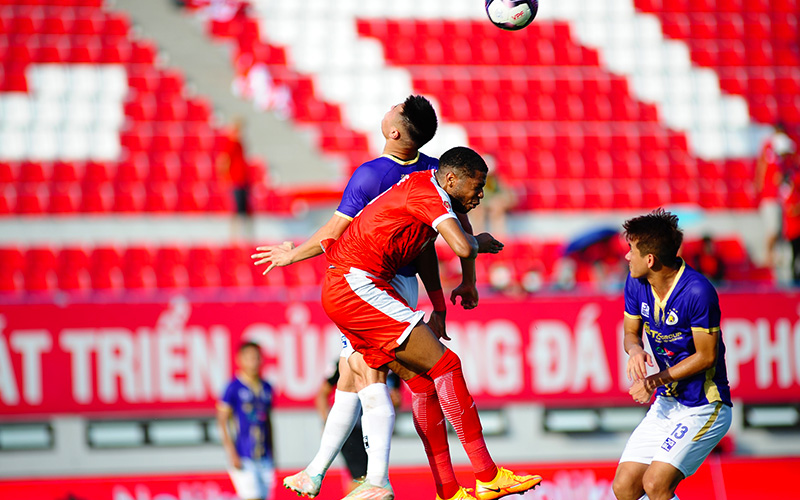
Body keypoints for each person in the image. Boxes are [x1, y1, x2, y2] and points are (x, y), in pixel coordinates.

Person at [252, 96, 490, 500]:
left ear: (395, 131)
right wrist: (460, 286)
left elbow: (332, 231)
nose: (389, 108)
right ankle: (317, 471)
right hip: (400, 281)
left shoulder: (371, 175)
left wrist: (292, 254)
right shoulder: (437, 171)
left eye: (394, 109)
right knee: (351, 375)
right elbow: (460, 231)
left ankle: (377, 479)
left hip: (371, 283)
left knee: (371, 375)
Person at [320, 147, 542, 500]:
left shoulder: (428, 194)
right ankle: (487, 474)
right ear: (452, 179)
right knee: (447, 365)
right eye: (477, 185)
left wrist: (441, 303)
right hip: (354, 287)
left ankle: (448, 491)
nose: (481, 194)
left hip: (351, 289)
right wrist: (478, 243)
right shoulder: (429, 192)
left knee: (424, 384)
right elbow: (463, 245)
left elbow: (425, 249)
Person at [612, 209, 732, 500]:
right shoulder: (636, 283)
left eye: (631, 250)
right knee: (624, 488)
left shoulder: (697, 291)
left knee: (656, 484)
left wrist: (653, 382)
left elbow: (706, 357)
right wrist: (636, 349)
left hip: (704, 405)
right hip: (667, 404)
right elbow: (630, 332)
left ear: (650, 259)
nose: (627, 257)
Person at [315, 359, 402, 492]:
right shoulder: (348, 360)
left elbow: (395, 403)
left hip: (373, 431)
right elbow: (322, 394)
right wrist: (327, 422)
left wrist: (395, 402)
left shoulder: (393, 366)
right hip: (351, 429)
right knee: (361, 476)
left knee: (370, 477)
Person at [217, 341, 276, 500]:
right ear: (239, 360)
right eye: (250, 357)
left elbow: (268, 421)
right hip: (243, 454)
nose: (254, 362)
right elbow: (223, 421)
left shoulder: (266, 387)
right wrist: (232, 454)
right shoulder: (233, 388)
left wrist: (273, 452)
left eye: (257, 357)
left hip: (264, 456)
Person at [755, 122, 797, 267]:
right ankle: (768, 257)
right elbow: (763, 168)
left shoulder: (781, 158)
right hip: (770, 197)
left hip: (777, 198)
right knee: (773, 229)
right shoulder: (770, 149)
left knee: (778, 230)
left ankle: (773, 257)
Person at [217, 117, 254, 239]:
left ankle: (247, 236)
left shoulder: (239, 143)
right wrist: (226, 177)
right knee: (237, 209)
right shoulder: (231, 143)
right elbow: (223, 160)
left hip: (243, 180)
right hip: (237, 181)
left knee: (246, 209)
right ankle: (234, 236)